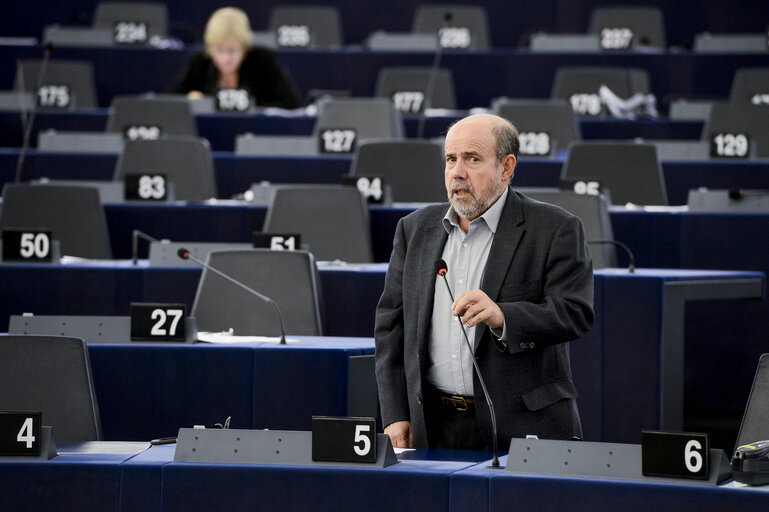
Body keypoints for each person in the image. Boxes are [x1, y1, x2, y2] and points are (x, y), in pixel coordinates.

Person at [375, 113, 594, 450]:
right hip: (434, 427)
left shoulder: (555, 228)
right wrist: (394, 414)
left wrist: (504, 316)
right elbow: (391, 328)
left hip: (522, 426)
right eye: (451, 159)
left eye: (472, 159)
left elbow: (574, 312)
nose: (457, 172)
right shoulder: (414, 229)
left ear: (506, 167)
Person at [170, 7, 301, 109]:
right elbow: (170, 101)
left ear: (244, 48)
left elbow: (292, 104)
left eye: (232, 51)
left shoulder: (263, 62)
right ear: (210, 48)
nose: (226, 58)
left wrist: (250, 108)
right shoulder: (199, 63)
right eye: (219, 50)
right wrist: (190, 101)